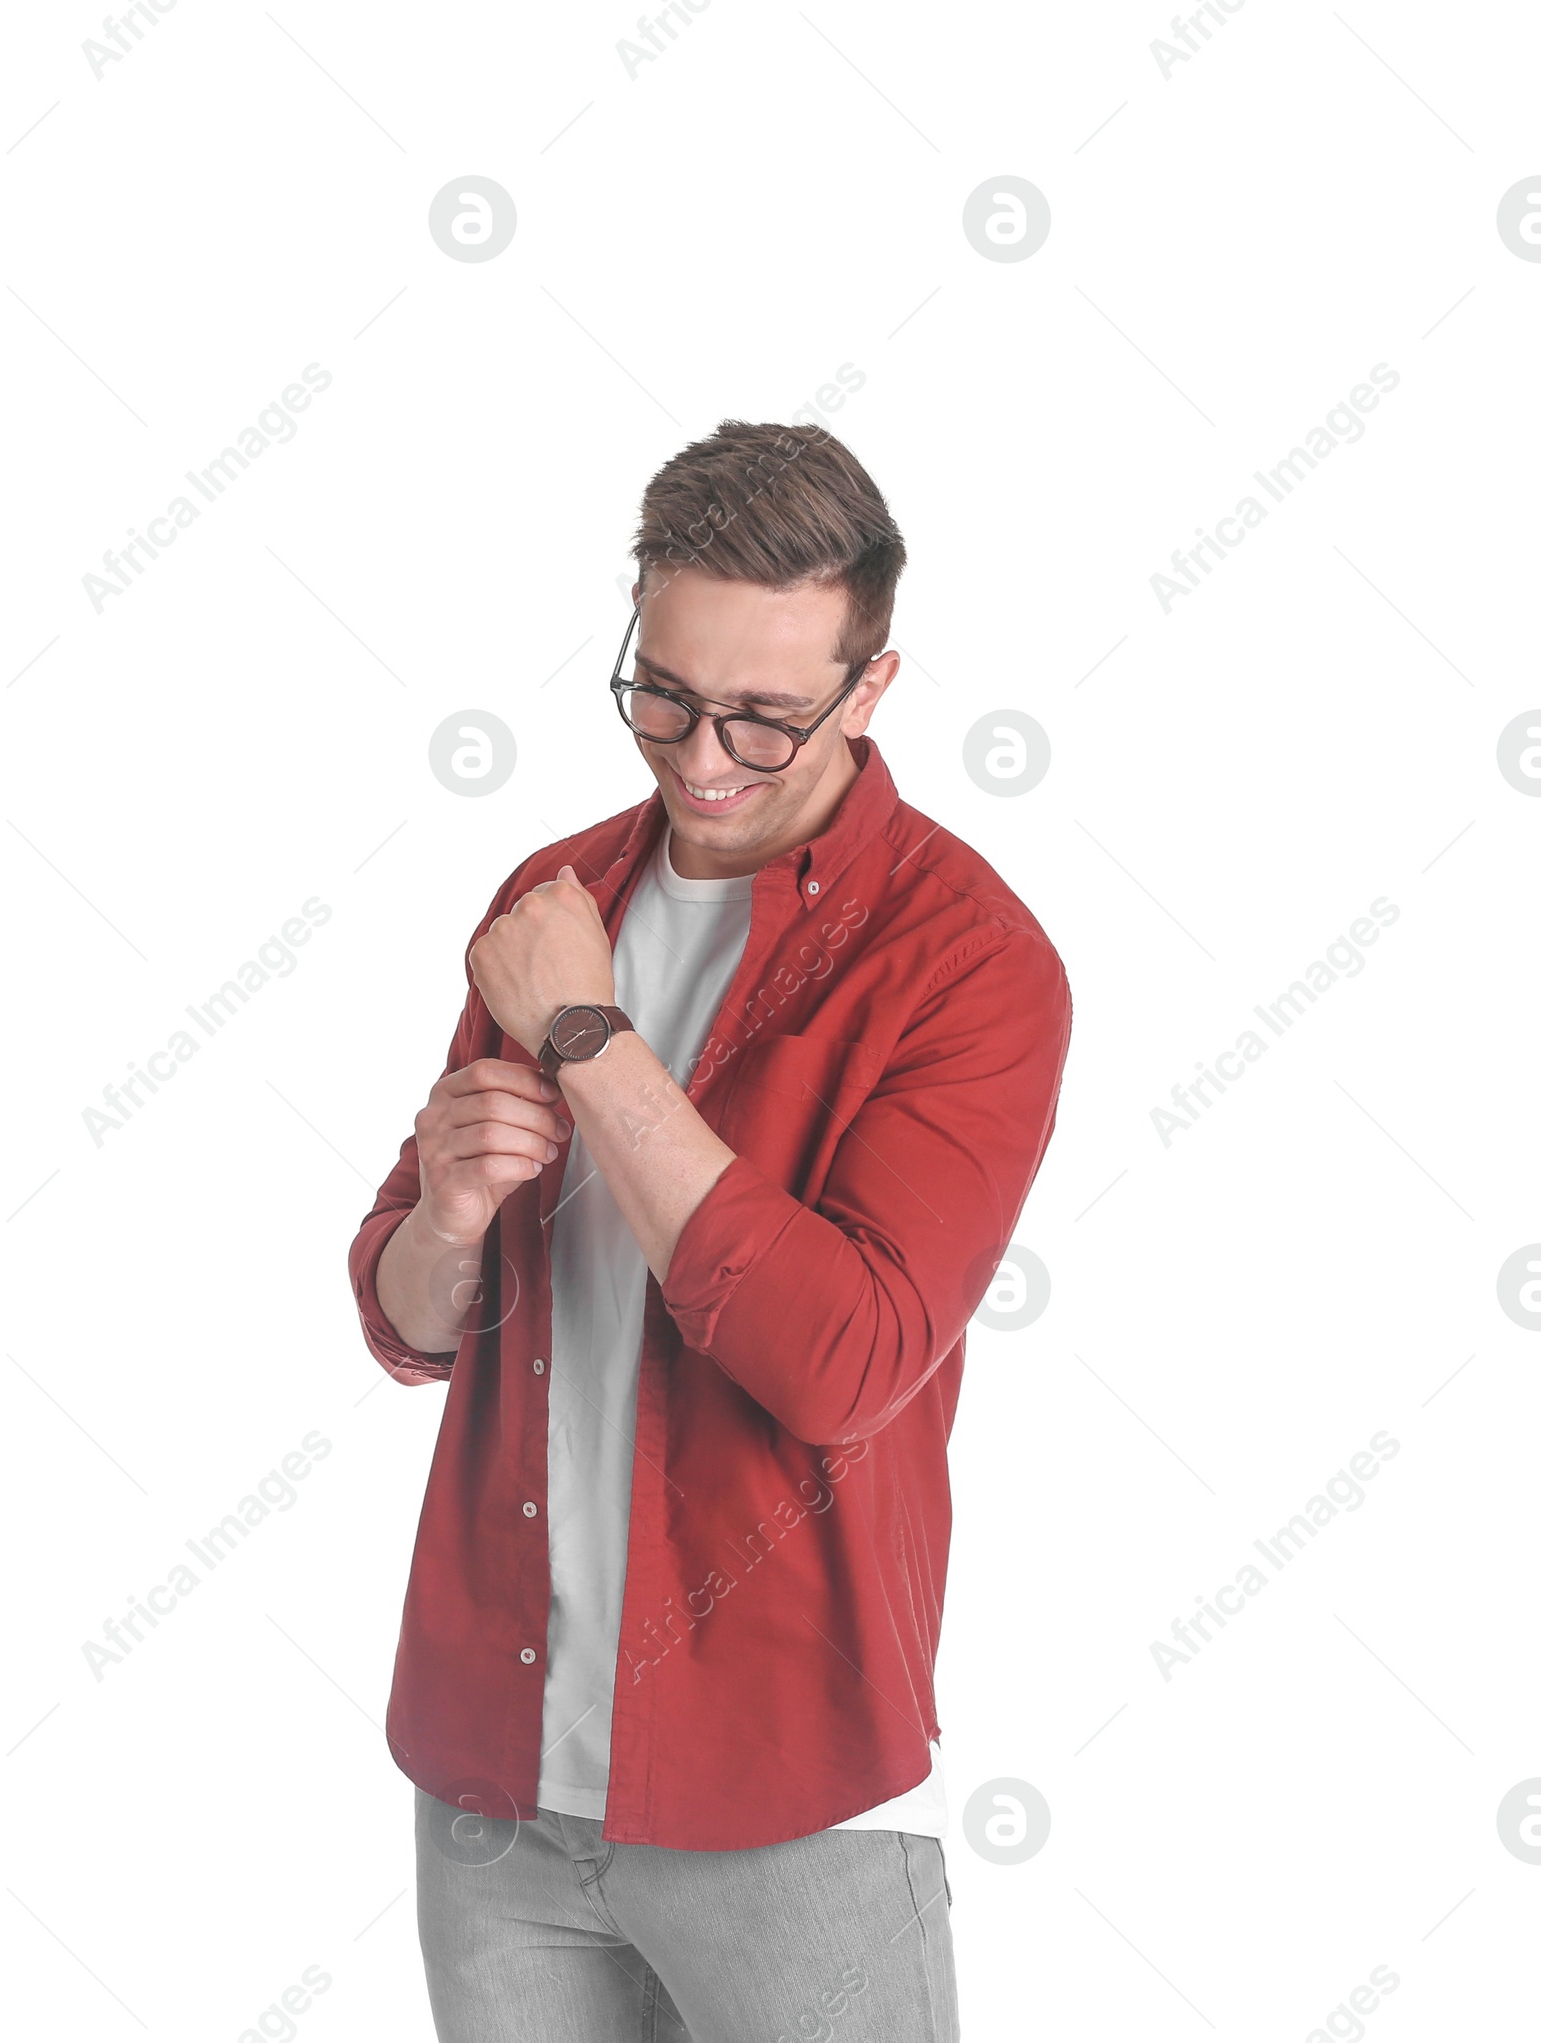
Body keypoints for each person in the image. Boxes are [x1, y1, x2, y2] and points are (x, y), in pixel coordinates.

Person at [347, 419, 1073, 2041]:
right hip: (493, 1786)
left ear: (871, 687)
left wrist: (596, 1048)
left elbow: (842, 1356)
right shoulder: (556, 901)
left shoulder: (968, 962)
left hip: (785, 1792)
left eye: (765, 713)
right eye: (663, 693)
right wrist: (450, 1211)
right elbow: (406, 1319)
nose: (701, 753)